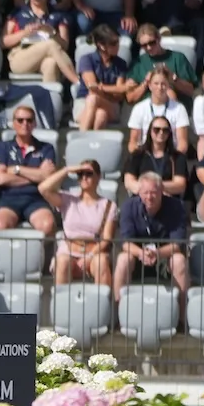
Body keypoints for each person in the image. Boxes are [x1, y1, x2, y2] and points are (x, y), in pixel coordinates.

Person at [113, 174, 191, 321]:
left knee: (179, 261)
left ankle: (182, 318)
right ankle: (118, 315)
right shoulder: (129, 206)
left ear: (162, 191)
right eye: (145, 193)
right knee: (123, 259)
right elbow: (125, 242)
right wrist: (141, 253)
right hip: (137, 254)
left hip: (164, 255)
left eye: (154, 192)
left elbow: (177, 243)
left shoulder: (176, 207)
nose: (149, 197)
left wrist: (157, 253)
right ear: (139, 192)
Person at [41, 160, 117, 287]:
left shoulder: (108, 205)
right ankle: (61, 299)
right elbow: (43, 189)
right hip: (69, 251)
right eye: (80, 174)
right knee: (62, 261)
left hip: (94, 252)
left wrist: (89, 256)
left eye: (89, 173)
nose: (84, 177)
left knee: (101, 263)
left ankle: (103, 299)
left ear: (98, 177)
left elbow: (107, 239)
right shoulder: (68, 199)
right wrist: (66, 170)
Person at [0, 104, 59, 233]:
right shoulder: (2, 147)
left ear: (35, 124)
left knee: (48, 225)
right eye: (20, 120)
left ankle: (46, 249)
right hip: (7, 198)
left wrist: (17, 169)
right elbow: (2, 178)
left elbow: (48, 177)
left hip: (36, 199)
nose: (25, 124)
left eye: (29, 120)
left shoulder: (46, 148)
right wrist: (38, 176)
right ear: (13, 123)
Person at [4, 0, 77, 85]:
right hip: (21, 55)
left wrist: (52, 32)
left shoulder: (57, 14)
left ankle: (50, 94)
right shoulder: (18, 13)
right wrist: (24, 33)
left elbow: (65, 45)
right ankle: (77, 82)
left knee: (51, 63)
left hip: (47, 57)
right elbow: (4, 42)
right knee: (50, 44)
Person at [75, 24, 134, 130]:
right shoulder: (86, 59)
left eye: (118, 41)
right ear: (101, 45)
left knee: (93, 99)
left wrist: (102, 88)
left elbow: (119, 95)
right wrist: (116, 89)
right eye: (113, 43)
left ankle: (81, 137)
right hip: (84, 101)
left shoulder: (121, 64)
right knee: (100, 114)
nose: (118, 45)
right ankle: (88, 139)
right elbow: (92, 87)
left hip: (111, 104)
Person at [127, 68, 193, 157]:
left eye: (163, 84)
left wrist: (174, 158)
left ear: (168, 86)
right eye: (156, 83)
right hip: (146, 155)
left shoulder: (179, 108)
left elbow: (182, 142)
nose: (160, 87)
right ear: (149, 86)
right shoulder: (139, 108)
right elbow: (133, 142)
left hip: (171, 154)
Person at [127, 25, 199, 103]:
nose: (149, 47)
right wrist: (146, 83)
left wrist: (174, 79)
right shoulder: (138, 62)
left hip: (177, 105)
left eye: (152, 43)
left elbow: (190, 91)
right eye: (144, 45)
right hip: (148, 106)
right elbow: (130, 98)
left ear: (159, 39)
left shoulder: (178, 58)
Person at [125, 115, 188, 199]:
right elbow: (129, 182)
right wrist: (150, 189)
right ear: (150, 131)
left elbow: (180, 185)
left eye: (165, 130)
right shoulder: (137, 155)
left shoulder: (177, 157)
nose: (161, 133)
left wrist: (155, 188)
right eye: (156, 129)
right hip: (141, 199)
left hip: (168, 200)